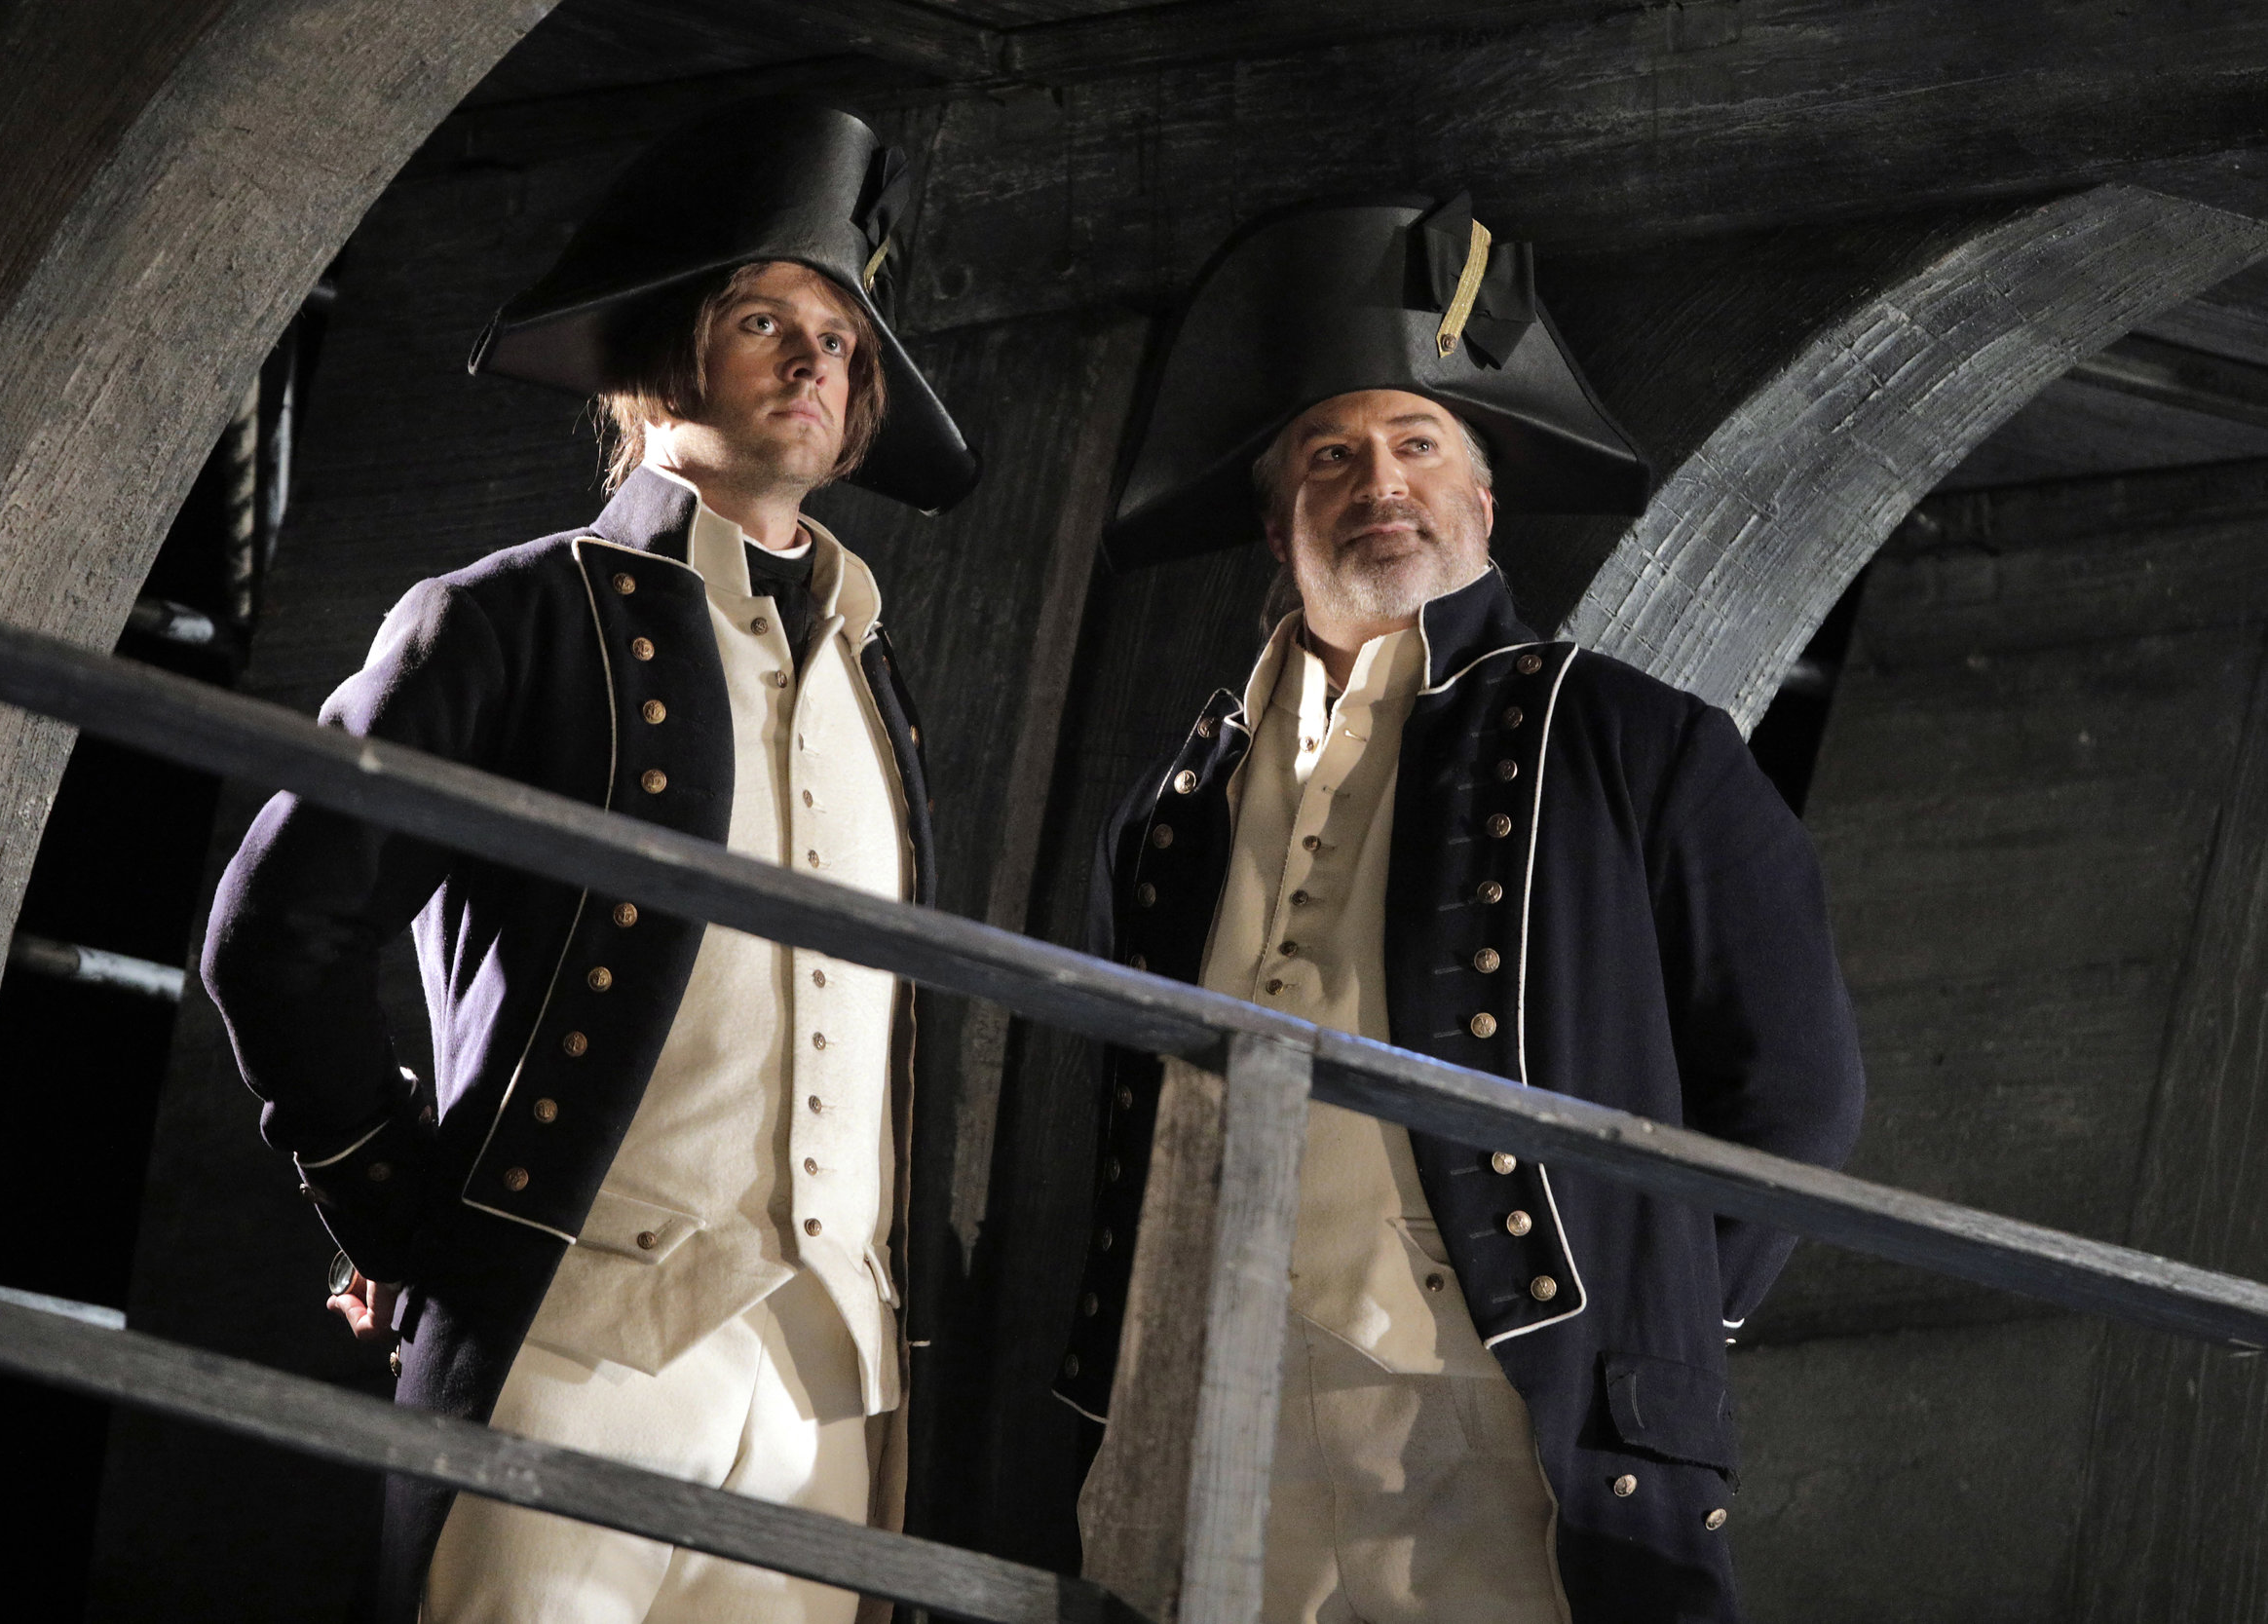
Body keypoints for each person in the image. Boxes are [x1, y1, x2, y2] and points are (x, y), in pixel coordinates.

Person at [202, 98, 976, 1624]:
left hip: (828, 1383)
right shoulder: (505, 618)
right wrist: (404, 1218)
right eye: (765, 318)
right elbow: (281, 930)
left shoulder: (877, 678)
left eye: (841, 336)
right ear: (655, 362)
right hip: (575, 1338)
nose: (816, 358)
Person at [1057, 196, 1868, 1622]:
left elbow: (1795, 1090)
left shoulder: (1630, 739)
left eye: (1417, 445)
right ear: (1276, 521)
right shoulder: (1172, 804)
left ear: (1483, 505)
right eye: (1331, 455)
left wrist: (1648, 1327)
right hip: (1210, 1414)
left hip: (1497, 1405)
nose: (1380, 480)